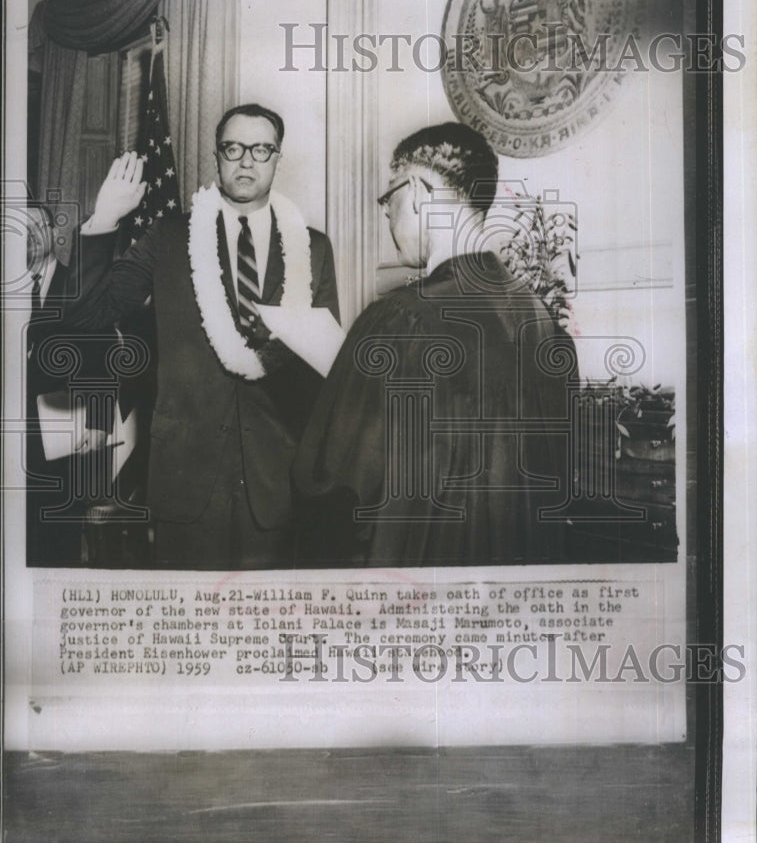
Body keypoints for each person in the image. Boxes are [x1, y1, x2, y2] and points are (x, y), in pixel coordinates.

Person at [64, 103, 340, 569]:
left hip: (276, 481)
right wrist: (102, 222)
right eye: (234, 148)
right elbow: (86, 317)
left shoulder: (312, 247)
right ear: (217, 157)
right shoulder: (169, 237)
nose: (246, 160)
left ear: (278, 158)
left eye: (260, 149)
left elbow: (323, 362)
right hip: (184, 478)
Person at [293, 122, 577, 567]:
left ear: (419, 191)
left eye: (390, 198)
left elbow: (336, 493)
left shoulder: (399, 320)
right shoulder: (542, 321)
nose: (386, 214)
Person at [26, 203, 116, 565]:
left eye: (37, 226)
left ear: (52, 232)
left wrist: (97, 422)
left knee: (57, 537)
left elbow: (104, 353)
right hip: (18, 437)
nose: (28, 236)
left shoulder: (78, 282)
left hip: (65, 433)